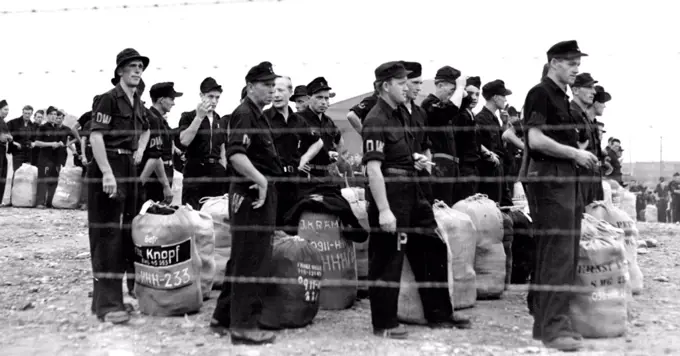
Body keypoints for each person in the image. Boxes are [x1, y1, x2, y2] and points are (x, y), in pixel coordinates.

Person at [362, 61, 470, 340]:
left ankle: (440, 315)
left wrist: (416, 159)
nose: (408, 86)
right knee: (388, 258)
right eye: (401, 82)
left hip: (414, 191)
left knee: (432, 247)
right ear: (386, 86)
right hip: (392, 194)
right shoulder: (376, 118)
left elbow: (403, 152)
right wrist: (384, 210)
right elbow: (374, 169)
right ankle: (384, 323)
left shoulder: (402, 115)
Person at [521, 40, 598, 351]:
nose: (575, 68)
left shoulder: (561, 97)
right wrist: (574, 154)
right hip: (549, 182)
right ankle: (555, 329)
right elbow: (535, 139)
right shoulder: (540, 93)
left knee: (554, 254)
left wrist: (579, 153)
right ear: (553, 62)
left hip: (562, 181)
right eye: (569, 62)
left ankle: (546, 323)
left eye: (577, 62)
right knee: (559, 256)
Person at [211, 61, 283, 345]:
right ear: (250, 86)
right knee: (253, 261)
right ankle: (244, 327)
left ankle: (223, 317)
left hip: (255, 194)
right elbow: (236, 155)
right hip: (252, 195)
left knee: (242, 258)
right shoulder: (244, 114)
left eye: (273, 85)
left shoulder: (257, 114)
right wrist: (262, 180)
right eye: (266, 85)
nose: (271, 90)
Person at [87, 48, 151, 324]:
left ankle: (115, 300)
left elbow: (147, 128)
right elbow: (96, 137)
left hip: (128, 167)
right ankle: (107, 305)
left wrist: (139, 151)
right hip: (108, 166)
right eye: (132, 67)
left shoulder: (136, 101)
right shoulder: (108, 99)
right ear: (120, 72)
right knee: (107, 237)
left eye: (140, 67)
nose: (137, 71)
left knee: (127, 234)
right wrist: (107, 173)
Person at [264, 76, 323, 230]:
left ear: (290, 92)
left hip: (295, 184)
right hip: (272, 184)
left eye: (281, 90)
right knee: (274, 232)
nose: (276, 94)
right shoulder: (263, 119)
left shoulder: (298, 120)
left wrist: (305, 158)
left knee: (294, 230)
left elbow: (318, 142)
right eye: (273, 90)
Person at [177, 77, 228, 209]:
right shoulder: (188, 116)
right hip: (195, 169)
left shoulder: (219, 119)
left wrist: (223, 167)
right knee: (191, 213)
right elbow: (184, 141)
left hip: (216, 171)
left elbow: (222, 147)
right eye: (210, 96)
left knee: (215, 213)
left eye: (217, 98)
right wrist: (199, 117)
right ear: (201, 96)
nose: (214, 101)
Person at [421, 66, 466, 206]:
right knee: (442, 206)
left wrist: (460, 90)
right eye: (451, 90)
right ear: (440, 85)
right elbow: (449, 110)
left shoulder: (445, 105)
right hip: (438, 165)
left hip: (451, 165)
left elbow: (464, 100)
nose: (453, 95)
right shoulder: (429, 104)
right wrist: (459, 88)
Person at [296, 77, 343, 195]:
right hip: (306, 177)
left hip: (327, 176)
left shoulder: (329, 122)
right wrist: (298, 161)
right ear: (308, 99)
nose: (323, 102)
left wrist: (336, 161)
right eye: (319, 97)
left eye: (326, 98)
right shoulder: (298, 119)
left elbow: (340, 141)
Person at [140, 82, 182, 203]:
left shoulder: (161, 120)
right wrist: (166, 186)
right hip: (155, 176)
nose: (173, 103)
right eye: (171, 99)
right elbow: (155, 155)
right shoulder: (152, 119)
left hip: (164, 172)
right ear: (161, 100)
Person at [401, 61, 434, 203]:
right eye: (415, 83)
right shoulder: (390, 112)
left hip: (421, 178)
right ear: (403, 83)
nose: (419, 88)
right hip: (400, 179)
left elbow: (426, 147)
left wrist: (427, 173)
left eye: (421, 83)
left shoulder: (420, 112)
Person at [476, 79, 513, 206]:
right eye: (503, 96)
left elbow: (502, 144)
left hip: (499, 171)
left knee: (505, 205)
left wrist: (504, 124)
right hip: (490, 173)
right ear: (495, 97)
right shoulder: (481, 119)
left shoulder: (494, 119)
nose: (505, 99)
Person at [454, 76, 483, 203]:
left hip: (474, 166)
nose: (474, 98)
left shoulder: (471, 115)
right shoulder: (460, 115)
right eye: (470, 93)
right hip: (464, 167)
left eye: (477, 94)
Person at [0, 100, 10, 206]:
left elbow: (8, 136)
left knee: (3, 175)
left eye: (8, 110)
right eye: (5, 109)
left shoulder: (3, 122)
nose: (7, 112)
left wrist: (8, 137)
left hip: (3, 151)